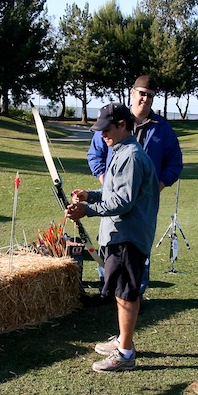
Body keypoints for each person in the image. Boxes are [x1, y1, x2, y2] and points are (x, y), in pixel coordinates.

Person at [67, 103, 160, 372]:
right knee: (122, 291)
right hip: (121, 234)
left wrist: (88, 210)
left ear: (122, 125)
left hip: (128, 236)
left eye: (106, 129)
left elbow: (123, 201)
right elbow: (113, 192)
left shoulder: (130, 156)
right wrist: (90, 195)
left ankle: (126, 353)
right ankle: (123, 340)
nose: (102, 135)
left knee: (126, 293)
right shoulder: (118, 151)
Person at [86, 75, 183, 299]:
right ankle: (108, 289)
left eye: (150, 96)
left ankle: (135, 294)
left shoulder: (163, 129)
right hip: (112, 196)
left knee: (137, 246)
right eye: (142, 93)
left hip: (143, 204)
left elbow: (175, 163)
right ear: (132, 93)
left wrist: (156, 185)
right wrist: (105, 181)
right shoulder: (114, 121)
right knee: (111, 239)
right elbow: (95, 155)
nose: (145, 99)